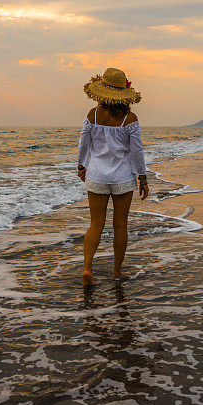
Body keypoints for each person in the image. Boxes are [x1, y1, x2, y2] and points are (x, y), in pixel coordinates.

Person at [77, 67, 148, 286]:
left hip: (97, 174)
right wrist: (143, 178)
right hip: (123, 177)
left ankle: (88, 268)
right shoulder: (130, 118)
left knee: (95, 224)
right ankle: (116, 273)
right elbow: (136, 151)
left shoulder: (93, 114)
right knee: (120, 225)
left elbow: (83, 143)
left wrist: (81, 166)